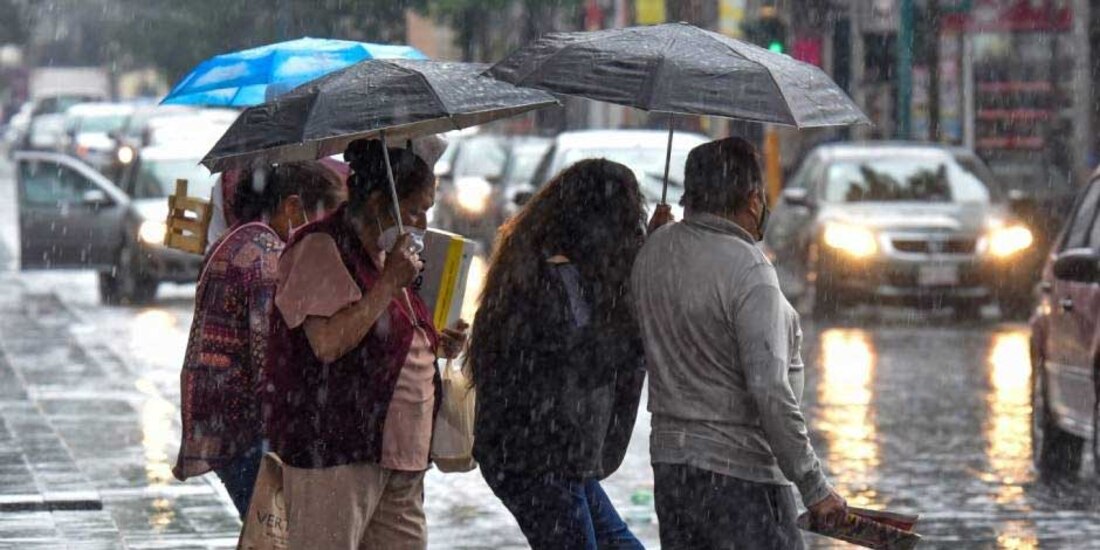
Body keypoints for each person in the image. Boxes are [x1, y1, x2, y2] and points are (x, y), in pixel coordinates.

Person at [631, 137, 848, 550]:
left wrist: (653, 241)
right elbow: (769, 388)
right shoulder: (750, 271)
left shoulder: (653, 250)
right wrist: (814, 486)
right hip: (743, 480)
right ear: (752, 200)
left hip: (673, 473)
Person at [265, 137, 465, 550]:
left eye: (427, 211)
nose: (423, 224)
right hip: (338, 448)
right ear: (378, 203)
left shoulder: (387, 253)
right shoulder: (320, 247)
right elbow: (327, 343)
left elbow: (385, 333)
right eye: (414, 211)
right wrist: (390, 283)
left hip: (402, 453)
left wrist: (434, 343)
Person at [467, 158, 648, 550]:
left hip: (560, 457)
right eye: (629, 219)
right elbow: (589, 359)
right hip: (533, 457)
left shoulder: (575, 273)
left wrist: (652, 251)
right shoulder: (544, 279)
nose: (632, 230)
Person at [173, 161, 346, 518]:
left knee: (264, 530)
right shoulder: (267, 259)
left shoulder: (240, 237)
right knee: (273, 533)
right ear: (292, 207)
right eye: (321, 221)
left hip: (220, 423)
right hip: (246, 429)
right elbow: (271, 356)